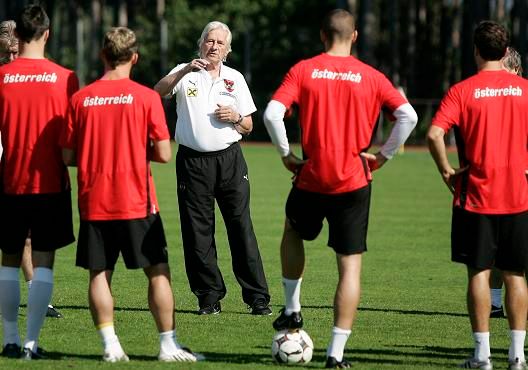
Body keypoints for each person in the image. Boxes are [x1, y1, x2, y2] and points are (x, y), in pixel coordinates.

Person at [263, 9, 417, 368]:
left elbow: (272, 113)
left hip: (312, 175)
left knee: (292, 230)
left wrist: (286, 154)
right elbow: (408, 115)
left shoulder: (304, 69)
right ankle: (335, 355)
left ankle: (292, 309)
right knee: (349, 267)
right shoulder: (372, 77)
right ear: (356, 36)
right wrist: (382, 156)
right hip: (354, 179)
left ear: (322, 35)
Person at [61, 27, 199, 363]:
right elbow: (165, 153)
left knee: (100, 274)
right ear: (134, 57)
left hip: (94, 200)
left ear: (102, 56)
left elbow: (67, 157)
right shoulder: (146, 97)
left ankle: (111, 346)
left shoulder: (80, 99)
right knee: (158, 272)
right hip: (137, 200)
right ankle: (168, 346)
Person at [428, 21, 528, 370]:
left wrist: (446, 172)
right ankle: (517, 357)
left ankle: (482, 356)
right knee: (516, 274)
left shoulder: (462, 91)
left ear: (475, 50)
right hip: (518, 195)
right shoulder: (524, 89)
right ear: (505, 53)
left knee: (479, 273)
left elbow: (434, 134)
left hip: (477, 196)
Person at [154, 21, 271, 316]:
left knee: (241, 228)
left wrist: (235, 116)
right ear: (201, 43)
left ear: (228, 49)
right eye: (210, 40)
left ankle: (257, 298)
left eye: (220, 43)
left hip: (230, 160)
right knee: (198, 232)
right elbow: (157, 92)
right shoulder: (184, 72)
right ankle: (208, 297)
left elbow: (248, 126)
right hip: (193, 162)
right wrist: (182, 71)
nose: (214, 46)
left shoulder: (234, 78)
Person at [0, 5, 78, 360]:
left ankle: (11, 340)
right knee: (43, 265)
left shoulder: (2, 76)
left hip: (9, 183)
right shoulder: (66, 77)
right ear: (47, 33)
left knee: (8, 263)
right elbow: (68, 145)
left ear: (19, 36)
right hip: (49, 184)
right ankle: (32, 343)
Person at [0, 19, 63, 320]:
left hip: (20, 170)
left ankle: (38, 294)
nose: (12, 58)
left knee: (24, 238)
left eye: (16, 51)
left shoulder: (40, 77)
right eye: (6, 53)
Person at [488, 46, 524, 320]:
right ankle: (495, 302)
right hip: (497, 182)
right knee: (499, 251)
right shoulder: (489, 96)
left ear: (515, 70)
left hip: (520, 182)